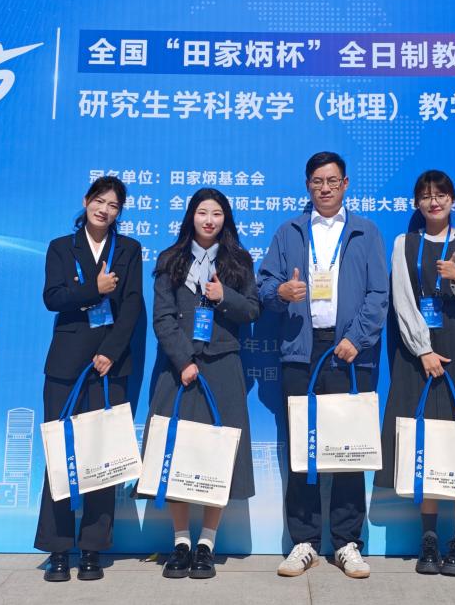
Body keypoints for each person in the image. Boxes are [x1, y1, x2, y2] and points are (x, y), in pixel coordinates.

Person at [258, 151, 389, 579]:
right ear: (308, 185)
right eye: (317, 181)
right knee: (304, 448)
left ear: (345, 184)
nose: (325, 188)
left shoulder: (365, 232)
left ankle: (347, 542)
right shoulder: (290, 231)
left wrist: (356, 339)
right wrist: (281, 293)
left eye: (332, 180)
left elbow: (378, 294)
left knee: (349, 448)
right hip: (301, 348)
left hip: (350, 351)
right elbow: (264, 285)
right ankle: (304, 541)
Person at [375, 170, 455, 577]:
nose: (434, 201)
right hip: (419, 356)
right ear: (416, 204)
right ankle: (428, 536)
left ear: (453, 200)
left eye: (441, 194)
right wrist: (423, 349)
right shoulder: (404, 244)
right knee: (423, 441)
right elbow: (402, 301)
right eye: (426, 196)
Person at [145, 188, 259, 579]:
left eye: (217, 213)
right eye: (202, 212)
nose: (209, 220)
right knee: (177, 453)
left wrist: (225, 296)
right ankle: (180, 543)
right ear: (191, 216)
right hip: (178, 369)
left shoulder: (239, 260)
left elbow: (252, 310)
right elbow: (162, 317)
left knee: (217, 455)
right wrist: (183, 360)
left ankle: (207, 544)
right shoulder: (170, 259)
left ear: (226, 219)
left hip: (223, 367)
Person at [35, 176, 144, 582]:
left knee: (102, 455)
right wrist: (91, 289)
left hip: (108, 366)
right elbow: (53, 298)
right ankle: (58, 549)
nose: (105, 210)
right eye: (100, 201)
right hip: (65, 366)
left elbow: (132, 305)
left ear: (119, 212)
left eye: (113, 205)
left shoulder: (128, 249)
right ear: (86, 202)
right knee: (60, 455)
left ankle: (94, 548)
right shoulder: (61, 247)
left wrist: (111, 352)